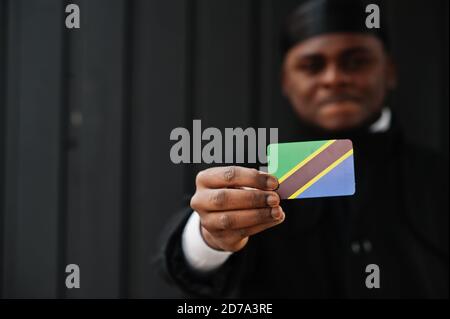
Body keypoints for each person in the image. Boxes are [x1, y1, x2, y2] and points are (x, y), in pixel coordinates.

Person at [156, 0, 448, 298]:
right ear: (286, 81)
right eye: (312, 66)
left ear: (389, 71)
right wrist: (209, 235)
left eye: (356, 61)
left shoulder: (439, 177)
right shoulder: (250, 173)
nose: (334, 78)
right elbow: (182, 261)